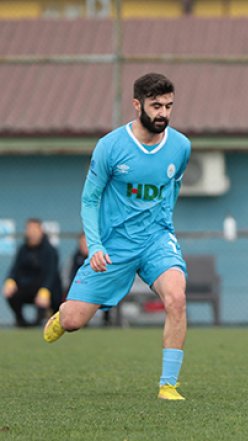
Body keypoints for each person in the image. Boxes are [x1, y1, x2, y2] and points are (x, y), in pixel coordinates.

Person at [42, 73, 192, 401]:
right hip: (113, 246)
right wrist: (95, 245)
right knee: (74, 320)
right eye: (156, 106)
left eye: (169, 106)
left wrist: (164, 224)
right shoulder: (110, 147)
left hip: (156, 240)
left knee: (177, 298)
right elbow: (89, 199)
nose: (163, 113)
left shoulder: (181, 146)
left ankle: (168, 385)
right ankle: (63, 315)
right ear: (137, 104)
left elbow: (175, 186)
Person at [4, 218, 62, 327]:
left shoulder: (50, 250)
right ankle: (21, 322)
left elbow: (51, 274)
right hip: (29, 288)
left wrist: (45, 290)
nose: (32, 233)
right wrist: (10, 280)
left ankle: (40, 321)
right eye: (29, 229)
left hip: (48, 291)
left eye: (34, 230)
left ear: (41, 231)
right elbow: (15, 268)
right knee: (11, 292)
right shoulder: (23, 249)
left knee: (46, 297)